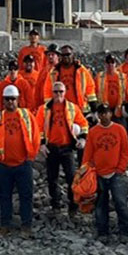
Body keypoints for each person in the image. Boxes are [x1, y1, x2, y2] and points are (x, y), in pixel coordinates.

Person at [0, 85, 40, 238]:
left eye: (13, 99)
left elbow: (35, 136)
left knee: (26, 196)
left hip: (23, 163)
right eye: (7, 99)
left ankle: (26, 226)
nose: (10, 102)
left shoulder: (26, 115)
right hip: (3, 165)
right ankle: (5, 225)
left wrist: (31, 157)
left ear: (18, 100)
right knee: (4, 196)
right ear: (3, 101)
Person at [37, 81, 88, 216]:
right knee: (52, 178)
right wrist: (42, 144)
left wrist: (83, 138)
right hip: (51, 148)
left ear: (65, 92)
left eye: (61, 91)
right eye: (56, 91)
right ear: (52, 93)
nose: (58, 94)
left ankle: (73, 206)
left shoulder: (72, 107)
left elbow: (83, 123)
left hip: (67, 148)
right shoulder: (44, 109)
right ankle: (56, 205)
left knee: (71, 178)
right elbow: (38, 128)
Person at [84, 103, 128, 242]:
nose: (104, 115)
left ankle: (125, 231)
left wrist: (121, 168)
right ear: (98, 115)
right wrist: (86, 171)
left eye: (106, 112)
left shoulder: (120, 129)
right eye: (101, 113)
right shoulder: (93, 132)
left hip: (116, 173)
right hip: (99, 173)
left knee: (120, 203)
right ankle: (102, 232)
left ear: (111, 114)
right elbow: (88, 153)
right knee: (100, 205)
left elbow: (125, 150)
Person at [47, 45, 97, 113]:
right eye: (63, 55)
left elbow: (90, 89)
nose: (65, 57)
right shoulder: (54, 72)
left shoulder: (81, 70)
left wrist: (93, 107)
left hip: (80, 109)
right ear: (60, 56)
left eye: (68, 54)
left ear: (73, 55)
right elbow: (48, 90)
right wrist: (49, 106)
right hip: (62, 109)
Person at [96, 55, 128, 127]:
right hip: (105, 110)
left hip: (119, 109)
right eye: (108, 62)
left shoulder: (123, 77)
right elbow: (94, 91)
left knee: (121, 128)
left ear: (115, 64)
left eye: (112, 62)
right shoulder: (99, 76)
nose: (110, 64)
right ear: (105, 64)